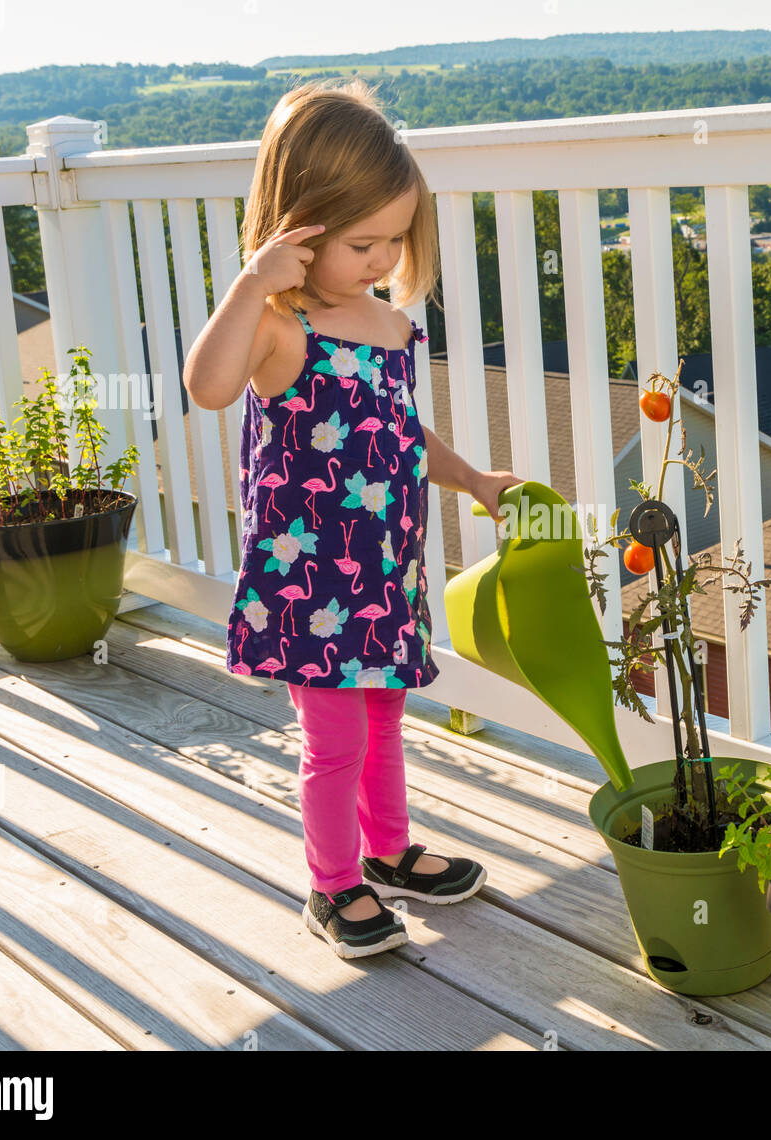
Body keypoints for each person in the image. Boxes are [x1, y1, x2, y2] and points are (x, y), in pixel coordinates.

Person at [185, 78, 522, 959]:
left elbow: (404, 436)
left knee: (383, 716)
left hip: (383, 569)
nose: (381, 258)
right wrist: (252, 283)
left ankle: (389, 849)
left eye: (395, 239)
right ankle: (333, 886)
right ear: (299, 226)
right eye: (361, 241)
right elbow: (206, 387)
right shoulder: (276, 325)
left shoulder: (391, 326)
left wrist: (475, 479)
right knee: (331, 739)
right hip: (312, 581)